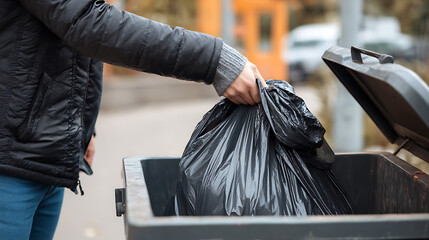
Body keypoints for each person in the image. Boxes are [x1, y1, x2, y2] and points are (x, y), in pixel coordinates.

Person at [0, 0, 266, 239]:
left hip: (40, 156)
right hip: (9, 162)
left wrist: (83, 125)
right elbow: (88, 23)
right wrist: (212, 59)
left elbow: (78, 42)